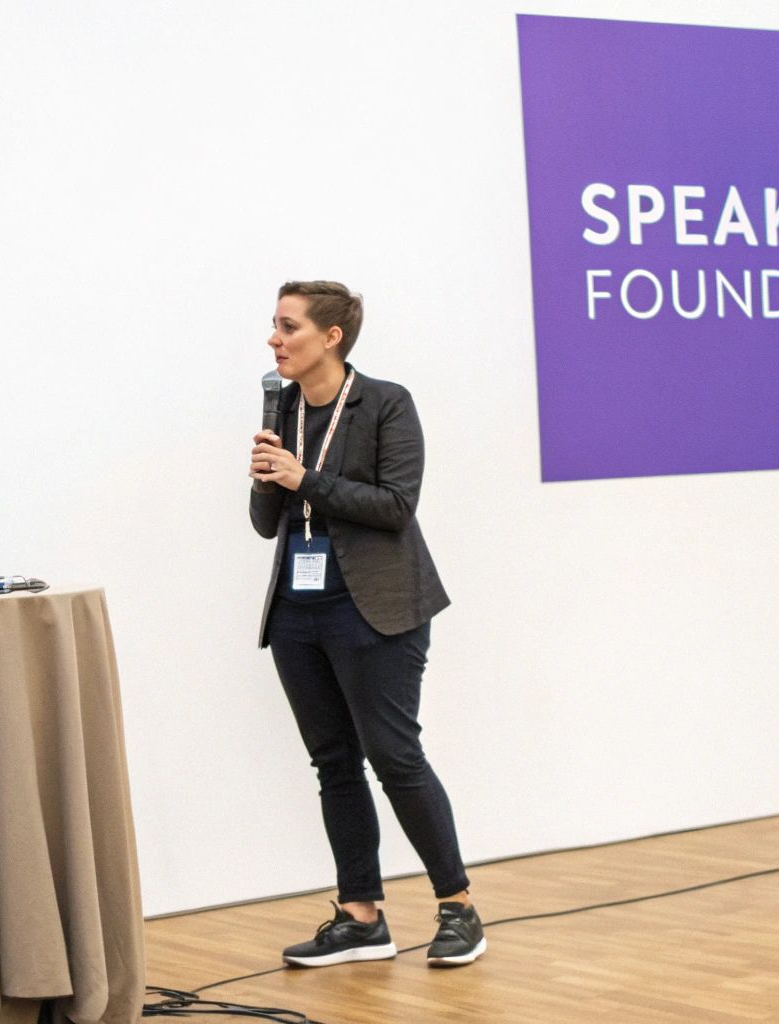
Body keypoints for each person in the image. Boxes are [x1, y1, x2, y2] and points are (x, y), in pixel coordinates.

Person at [248, 280, 486, 969]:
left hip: (377, 607)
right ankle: (361, 917)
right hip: (298, 607)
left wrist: (303, 479)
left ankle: (458, 908)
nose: (273, 339)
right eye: (273, 325)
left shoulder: (385, 403)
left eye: (288, 327)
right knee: (333, 762)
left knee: (394, 756)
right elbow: (267, 525)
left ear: (331, 337)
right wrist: (269, 478)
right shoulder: (281, 406)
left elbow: (394, 506)